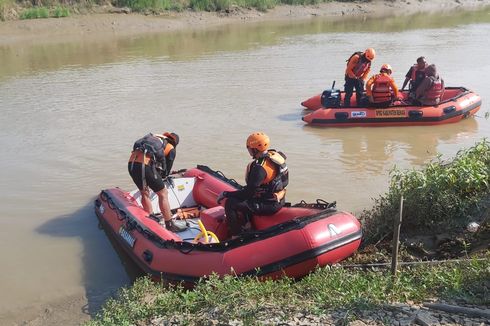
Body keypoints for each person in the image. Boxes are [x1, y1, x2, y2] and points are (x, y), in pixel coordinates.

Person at [217, 132, 288, 238]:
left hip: (269, 205)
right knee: (247, 195)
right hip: (280, 199)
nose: (249, 151)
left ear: (254, 149)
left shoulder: (259, 168)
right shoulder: (275, 156)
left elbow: (248, 193)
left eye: (249, 148)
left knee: (230, 203)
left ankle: (236, 236)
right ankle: (248, 225)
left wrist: (226, 193)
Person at [128, 132, 186, 232]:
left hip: (132, 164)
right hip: (144, 166)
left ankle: (150, 222)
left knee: (144, 193)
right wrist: (162, 176)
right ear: (175, 142)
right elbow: (165, 171)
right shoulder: (171, 147)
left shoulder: (155, 139)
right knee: (163, 193)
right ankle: (169, 224)